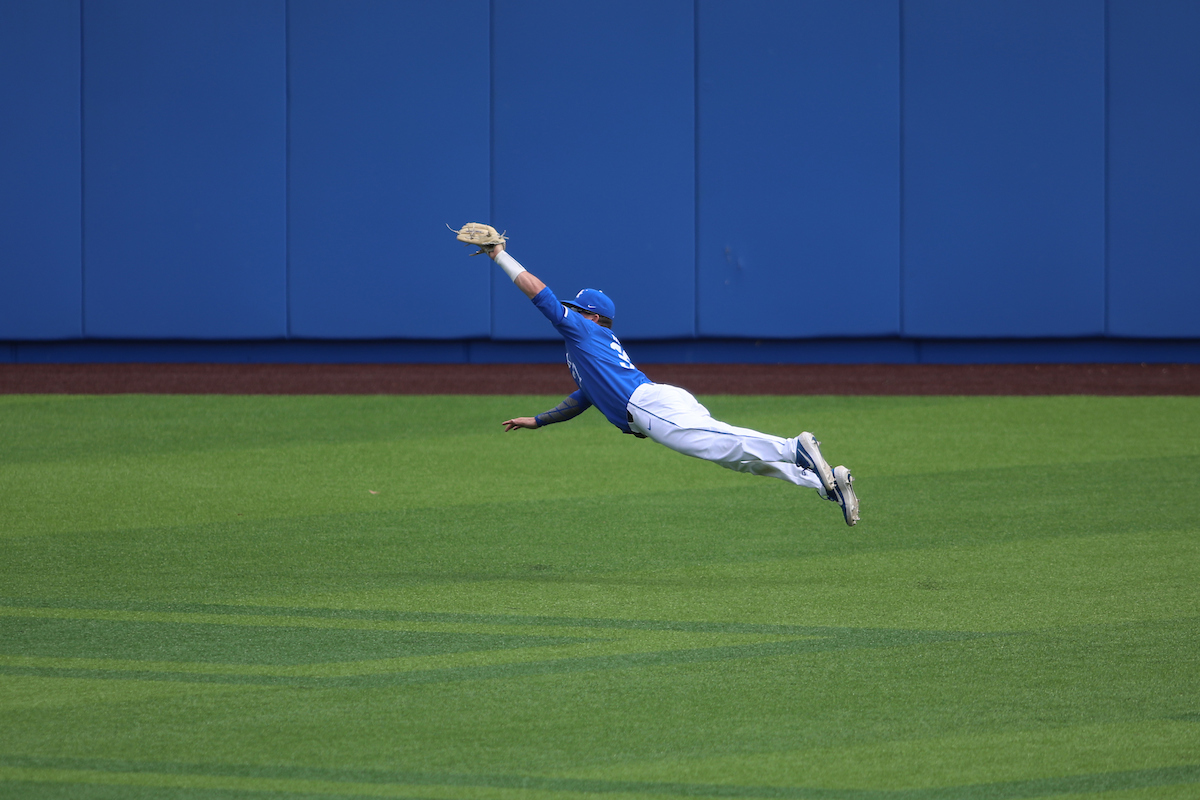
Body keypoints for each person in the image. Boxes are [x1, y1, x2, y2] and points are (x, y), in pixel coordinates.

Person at [479, 236, 859, 526]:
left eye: (577, 310)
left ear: (591, 318)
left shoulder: (583, 333)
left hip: (646, 404)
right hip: (653, 402)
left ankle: (796, 448)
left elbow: (540, 296)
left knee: (717, 443)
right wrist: (539, 420)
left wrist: (500, 256)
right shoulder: (587, 350)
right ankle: (822, 480)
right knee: (736, 460)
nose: (570, 313)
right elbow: (584, 397)